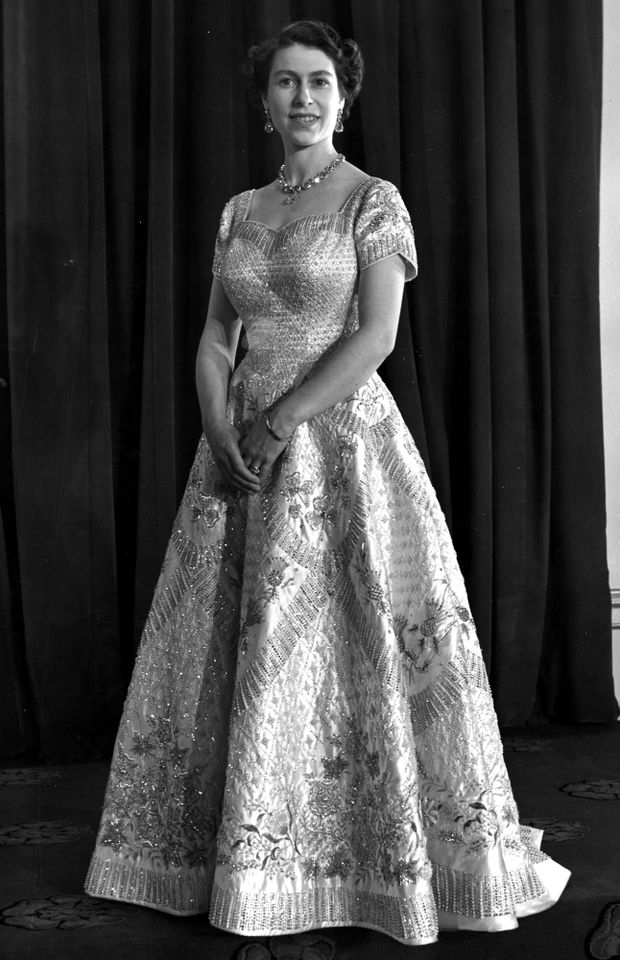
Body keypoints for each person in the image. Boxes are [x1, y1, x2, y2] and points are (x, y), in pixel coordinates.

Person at [85, 19, 570, 947]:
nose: (301, 98)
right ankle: (246, 864)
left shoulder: (373, 201)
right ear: (263, 100)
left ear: (344, 96)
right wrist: (219, 423)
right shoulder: (240, 211)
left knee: (356, 652)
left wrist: (277, 420)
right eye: (283, 84)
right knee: (242, 651)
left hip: (337, 443)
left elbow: (375, 336)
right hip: (237, 457)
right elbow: (215, 338)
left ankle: (392, 865)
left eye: (317, 82)